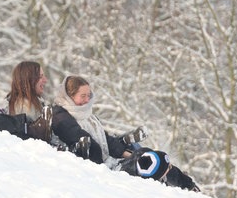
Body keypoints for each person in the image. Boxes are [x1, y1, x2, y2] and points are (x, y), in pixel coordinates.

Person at [53, 75, 199, 191]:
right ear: (69, 96)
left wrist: (127, 153)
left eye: (88, 95)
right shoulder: (62, 117)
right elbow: (87, 143)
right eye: (82, 96)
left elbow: (106, 139)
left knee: (149, 155)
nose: (87, 100)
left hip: (110, 162)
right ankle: (180, 186)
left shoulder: (87, 115)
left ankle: (187, 185)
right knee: (155, 161)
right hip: (102, 169)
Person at [6, 61, 52, 142]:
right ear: (29, 79)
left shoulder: (32, 102)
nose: (45, 80)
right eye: (40, 77)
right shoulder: (24, 105)